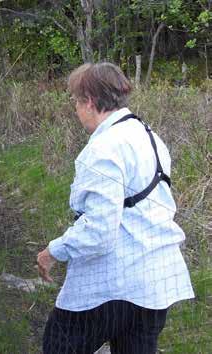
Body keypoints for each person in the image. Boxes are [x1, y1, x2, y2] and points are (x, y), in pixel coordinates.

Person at [36, 62, 194, 353]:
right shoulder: (150, 137)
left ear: (91, 102)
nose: (75, 109)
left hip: (111, 284)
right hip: (155, 283)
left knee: (58, 346)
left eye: (75, 102)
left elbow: (99, 230)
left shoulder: (102, 148)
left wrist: (53, 251)